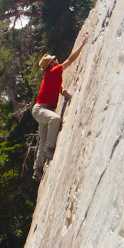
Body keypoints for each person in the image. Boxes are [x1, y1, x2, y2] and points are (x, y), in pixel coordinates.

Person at [32, 32, 88, 181]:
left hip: (41, 110)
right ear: (51, 63)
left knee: (42, 139)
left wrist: (62, 91)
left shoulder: (50, 75)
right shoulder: (53, 71)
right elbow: (70, 60)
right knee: (55, 119)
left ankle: (37, 169)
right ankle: (49, 149)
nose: (56, 60)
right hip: (41, 109)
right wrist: (82, 45)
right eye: (54, 59)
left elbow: (55, 87)